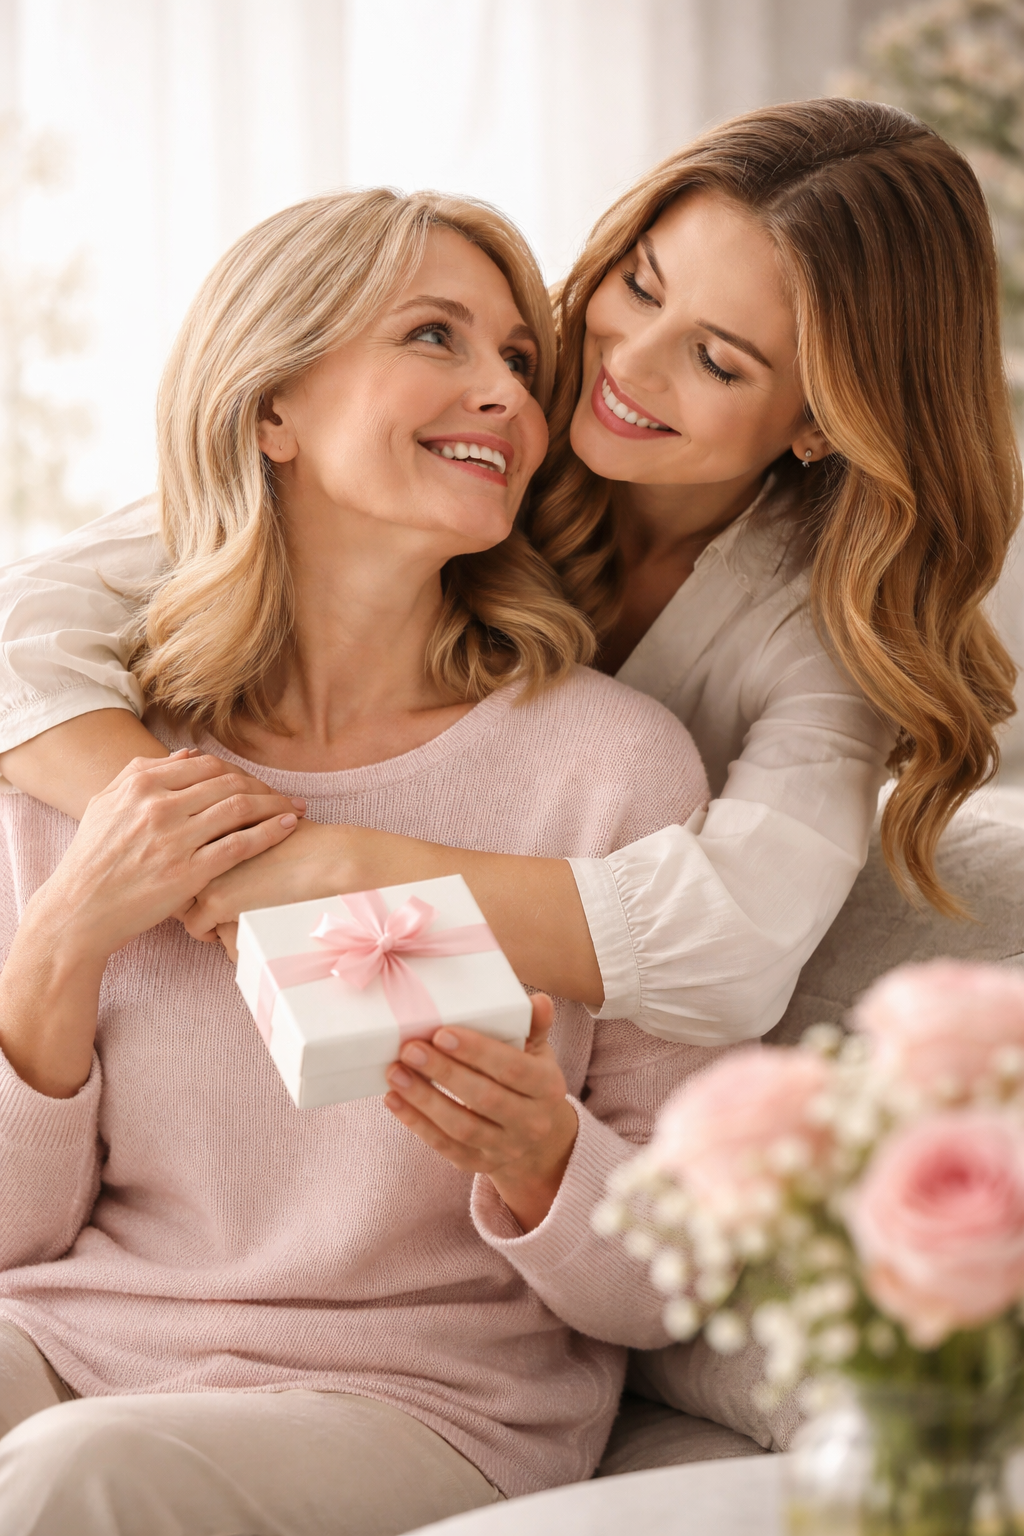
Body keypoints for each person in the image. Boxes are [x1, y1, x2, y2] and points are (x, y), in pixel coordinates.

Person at [0, 98, 1017, 1044]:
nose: (627, 362)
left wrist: (342, 868)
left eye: (717, 361)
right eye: (638, 286)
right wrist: (187, 848)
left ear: (821, 423)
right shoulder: (469, 442)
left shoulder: (814, 630)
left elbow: (734, 948)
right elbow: (34, 627)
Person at [0, 190, 712, 1536]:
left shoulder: (609, 770)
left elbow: (679, 1276)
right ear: (271, 407)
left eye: (518, 359)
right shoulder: (93, 756)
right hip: (74, 1342)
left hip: (419, 1399)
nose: (502, 392)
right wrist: (60, 945)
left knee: (67, 1479)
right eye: (436, 336)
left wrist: (545, 1157)